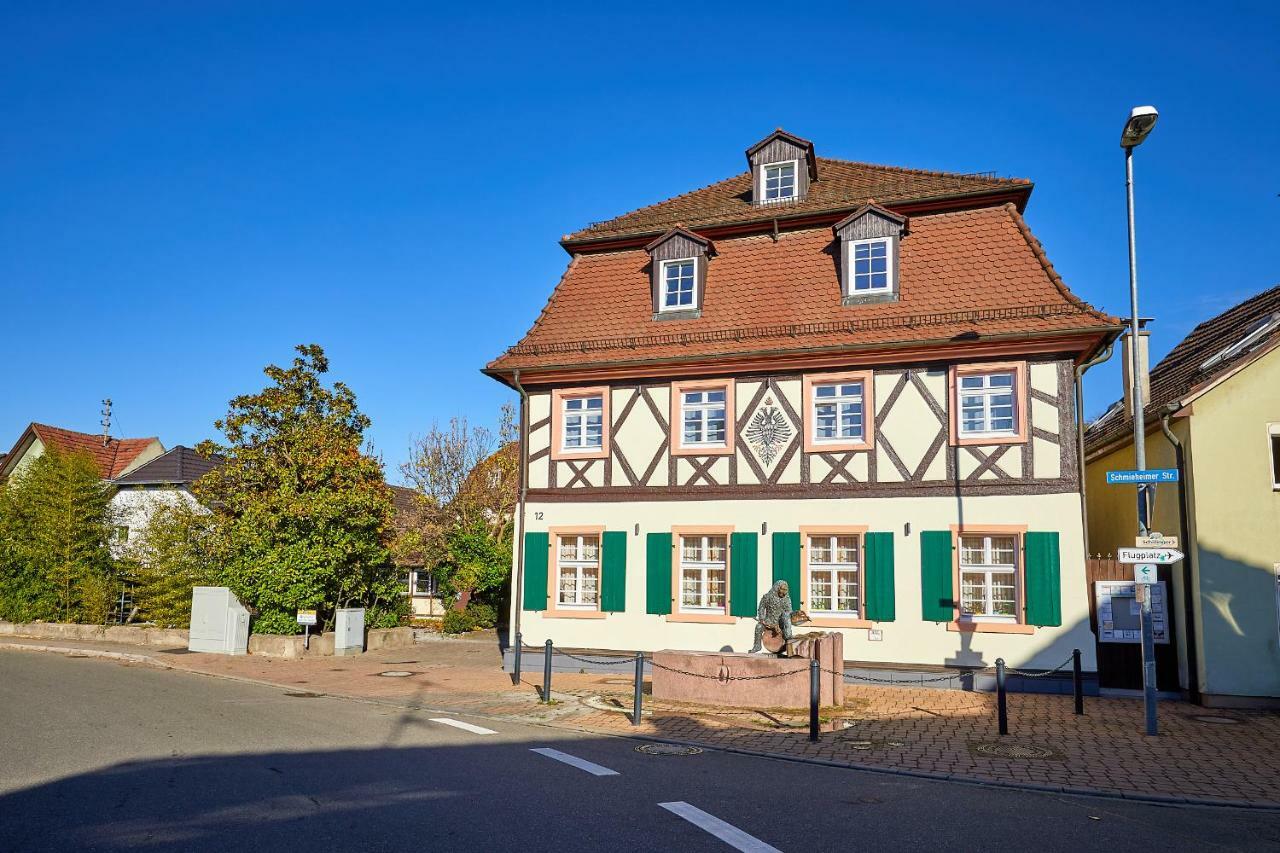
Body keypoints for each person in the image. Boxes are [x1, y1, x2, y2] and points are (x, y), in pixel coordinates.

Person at [749, 580, 795, 654]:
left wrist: (784, 620)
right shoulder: (767, 597)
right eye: (782, 589)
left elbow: (789, 611)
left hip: (781, 622)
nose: (784, 592)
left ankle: (789, 643)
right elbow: (761, 608)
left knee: (787, 624)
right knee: (758, 627)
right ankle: (757, 646)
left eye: (785, 590)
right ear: (777, 588)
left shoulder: (787, 599)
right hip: (768, 621)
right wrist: (762, 619)